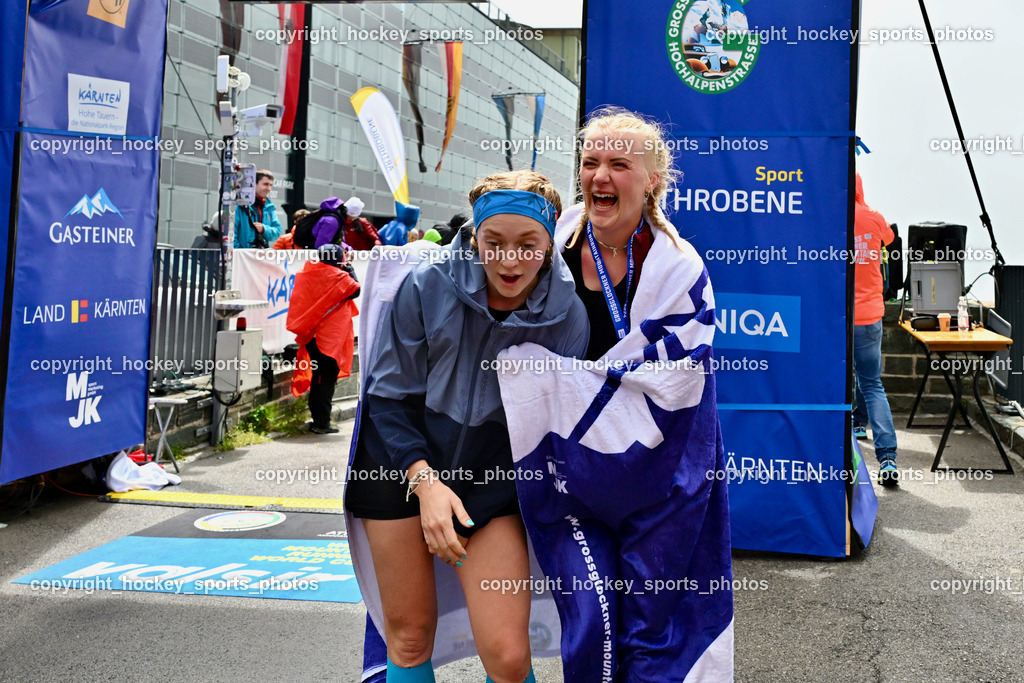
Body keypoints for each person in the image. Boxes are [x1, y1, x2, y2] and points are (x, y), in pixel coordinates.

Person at [493, 108, 734, 681]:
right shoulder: (546, 250)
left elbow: (678, 377)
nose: (600, 176)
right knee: (593, 622)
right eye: (590, 162)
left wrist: (570, 383)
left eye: (619, 164)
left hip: (661, 476)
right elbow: (486, 316)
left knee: (654, 628)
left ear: (652, 178)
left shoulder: (680, 268)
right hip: (567, 475)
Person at [344, 170, 589, 682]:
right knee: (409, 638)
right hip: (396, 463)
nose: (509, 259)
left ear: (550, 244)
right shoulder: (427, 283)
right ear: (474, 236)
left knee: (508, 655)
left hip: (491, 477)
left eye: (528, 244)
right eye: (493, 242)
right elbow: (388, 396)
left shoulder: (568, 316)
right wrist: (425, 482)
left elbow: (554, 425)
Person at [853, 172, 899, 486]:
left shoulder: (832, 216)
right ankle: (887, 459)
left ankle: (852, 430)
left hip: (838, 319)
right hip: (869, 315)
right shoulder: (873, 217)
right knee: (871, 382)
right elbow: (890, 239)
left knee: (840, 382)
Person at [286, 244, 360, 435]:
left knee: (319, 377)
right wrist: (349, 269)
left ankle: (319, 419)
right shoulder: (340, 277)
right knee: (325, 379)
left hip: (312, 336)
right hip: (329, 339)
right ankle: (322, 422)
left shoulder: (308, 273)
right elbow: (356, 289)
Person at [234, 169, 283, 248]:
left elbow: (277, 232)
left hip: (260, 257)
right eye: (265, 184)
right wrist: (240, 255)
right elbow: (232, 235)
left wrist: (264, 229)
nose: (269, 188)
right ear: (253, 184)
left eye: (270, 185)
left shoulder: (269, 208)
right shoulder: (239, 206)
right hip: (242, 258)